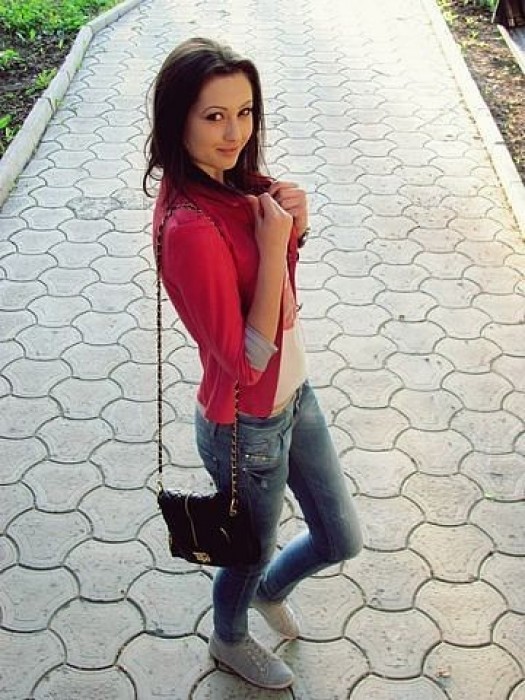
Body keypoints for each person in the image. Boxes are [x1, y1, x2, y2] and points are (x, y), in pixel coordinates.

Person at [143, 37, 363, 691]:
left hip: (295, 396)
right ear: (177, 120)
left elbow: (279, 299)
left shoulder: (236, 187)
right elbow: (245, 361)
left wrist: (293, 232)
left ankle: (269, 591)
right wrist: (273, 245)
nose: (234, 132)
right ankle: (229, 638)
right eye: (213, 116)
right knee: (245, 552)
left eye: (244, 112)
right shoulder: (189, 227)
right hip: (245, 425)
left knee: (340, 538)